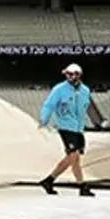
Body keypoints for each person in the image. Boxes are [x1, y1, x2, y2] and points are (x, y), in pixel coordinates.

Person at [37, 63, 95, 196]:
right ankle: (82, 185)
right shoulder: (59, 89)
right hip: (65, 126)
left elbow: (85, 108)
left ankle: (49, 180)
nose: (69, 77)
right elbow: (49, 105)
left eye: (71, 74)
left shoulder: (85, 90)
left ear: (78, 75)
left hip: (78, 128)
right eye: (67, 74)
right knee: (74, 156)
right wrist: (44, 119)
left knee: (71, 158)